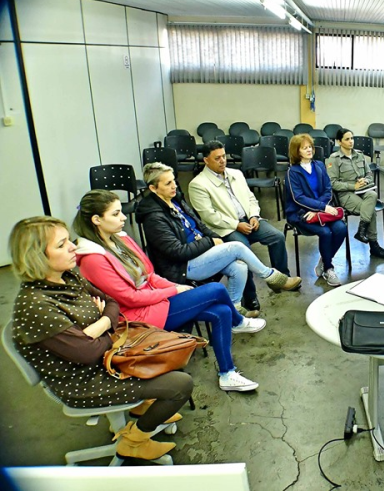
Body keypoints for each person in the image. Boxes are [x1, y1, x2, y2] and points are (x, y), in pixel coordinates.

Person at [9, 216, 193, 461]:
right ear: (36, 257)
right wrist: (103, 325)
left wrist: (100, 324)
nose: (73, 247)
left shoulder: (67, 277)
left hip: (108, 357)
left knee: (169, 355)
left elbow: (112, 302)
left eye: (69, 240)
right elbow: (87, 353)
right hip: (83, 380)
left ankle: (141, 407)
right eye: (62, 244)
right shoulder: (36, 306)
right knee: (181, 384)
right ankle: (134, 442)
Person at [73, 190, 262, 393]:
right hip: (137, 316)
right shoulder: (93, 259)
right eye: (116, 214)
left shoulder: (120, 239)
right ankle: (238, 322)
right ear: (96, 220)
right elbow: (130, 298)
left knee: (221, 312)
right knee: (216, 289)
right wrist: (173, 290)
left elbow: (150, 274)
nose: (124, 217)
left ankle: (227, 374)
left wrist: (173, 288)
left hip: (154, 301)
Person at [136, 163, 301, 313]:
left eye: (173, 181)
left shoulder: (175, 200)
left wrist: (214, 238)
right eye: (168, 183)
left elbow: (200, 225)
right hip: (183, 267)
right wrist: (210, 242)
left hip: (200, 252)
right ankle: (271, 276)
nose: (174, 186)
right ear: (153, 188)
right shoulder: (154, 218)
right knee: (237, 246)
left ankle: (235, 311)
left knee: (239, 267)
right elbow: (177, 252)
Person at [189, 140, 295, 316]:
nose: (222, 161)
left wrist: (253, 215)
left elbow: (251, 198)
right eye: (217, 158)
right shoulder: (198, 184)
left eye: (224, 156)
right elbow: (209, 216)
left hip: (248, 219)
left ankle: (280, 279)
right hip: (226, 227)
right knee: (243, 251)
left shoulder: (236, 174)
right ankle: (250, 297)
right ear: (206, 160)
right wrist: (236, 225)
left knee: (277, 236)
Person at [284, 133, 347, 286]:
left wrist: (320, 209)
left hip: (321, 211)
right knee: (325, 232)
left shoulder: (319, 165)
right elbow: (298, 198)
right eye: (304, 148)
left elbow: (328, 190)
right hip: (301, 213)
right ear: (296, 151)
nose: (309, 150)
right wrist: (322, 207)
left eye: (310, 147)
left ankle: (325, 260)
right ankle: (328, 268)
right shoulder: (292, 172)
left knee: (341, 229)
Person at [327, 128, 384, 259]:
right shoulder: (333, 159)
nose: (351, 141)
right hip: (345, 194)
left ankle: (361, 231)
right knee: (370, 209)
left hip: (362, 190)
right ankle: (373, 245)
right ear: (339, 141)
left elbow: (369, 174)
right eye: (347, 139)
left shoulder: (359, 155)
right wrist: (353, 186)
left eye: (352, 138)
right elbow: (332, 183)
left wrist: (365, 180)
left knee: (372, 195)